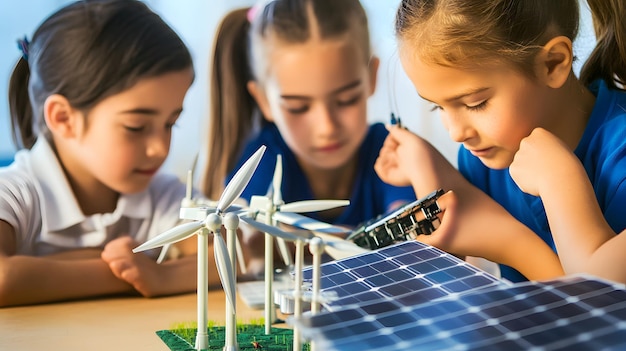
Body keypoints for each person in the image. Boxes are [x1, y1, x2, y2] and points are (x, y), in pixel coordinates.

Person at [376, 0, 626, 283]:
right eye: (439, 107)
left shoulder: (620, 156)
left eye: (476, 103)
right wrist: (430, 174)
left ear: (553, 63)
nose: (456, 133)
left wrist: (556, 184)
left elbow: (600, 304)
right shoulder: (480, 158)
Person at [0, 0, 206, 307]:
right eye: (136, 127)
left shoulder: (163, 196)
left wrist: (162, 278)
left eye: (170, 124)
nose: (160, 148)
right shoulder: (14, 194)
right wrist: (130, 273)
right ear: (63, 118)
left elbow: (235, 254)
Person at [201, 0, 416, 230]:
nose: (327, 127)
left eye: (346, 100)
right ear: (263, 100)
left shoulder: (391, 149)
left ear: (372, 77)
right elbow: (248, 239)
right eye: (298, 107)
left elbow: (413, 221)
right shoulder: (258, 163)